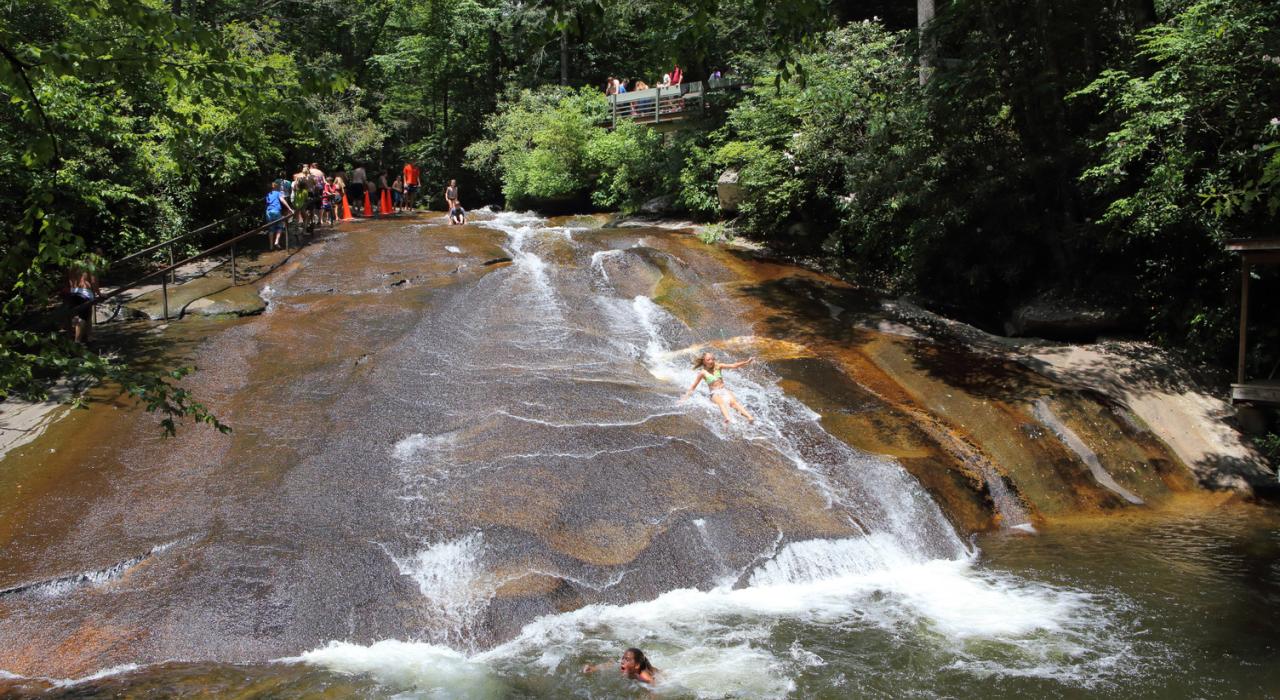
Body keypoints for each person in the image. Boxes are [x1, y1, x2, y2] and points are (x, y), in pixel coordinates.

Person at [682, 351, 756, 424]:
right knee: (721, 403)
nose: (711, 361)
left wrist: (746, 362)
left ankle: (749, 417)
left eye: (712, 359)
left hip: (723, 390)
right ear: (704, 362)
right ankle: (727, 418)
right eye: (708, 360)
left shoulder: (718, 366)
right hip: (714, 393)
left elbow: (733, 365)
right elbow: (693, 386)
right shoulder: (702, 373)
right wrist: (685, 398)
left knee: (734, 403)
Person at [62, 251, 102, 344]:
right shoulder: (91, 267)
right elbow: (94, 281)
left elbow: (69, 279)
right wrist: (99, 293)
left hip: (73, 292)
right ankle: (77, 342)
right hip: (85, 294)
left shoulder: (74, 265)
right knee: (83, 317)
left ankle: (89, 336)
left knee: (87, 314)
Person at [582, 648, 657, 685]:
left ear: (637, 665)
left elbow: (653, 684)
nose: (622, 661)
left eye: (627, 659)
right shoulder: (626, 666)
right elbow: (610, 664)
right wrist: (593, 668)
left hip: (657, 674)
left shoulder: (643, 675)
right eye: (623, 658)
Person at [265, 179, 295, 250]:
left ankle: (271, 246)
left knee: (271, 229)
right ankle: (276, 241)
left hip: (268, 212)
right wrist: (289, 208)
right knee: (279, 227)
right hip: (276, 211)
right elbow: (282, 200)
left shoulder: (268, 194)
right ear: (275, 187)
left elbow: (267, 204)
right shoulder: (278, 193)